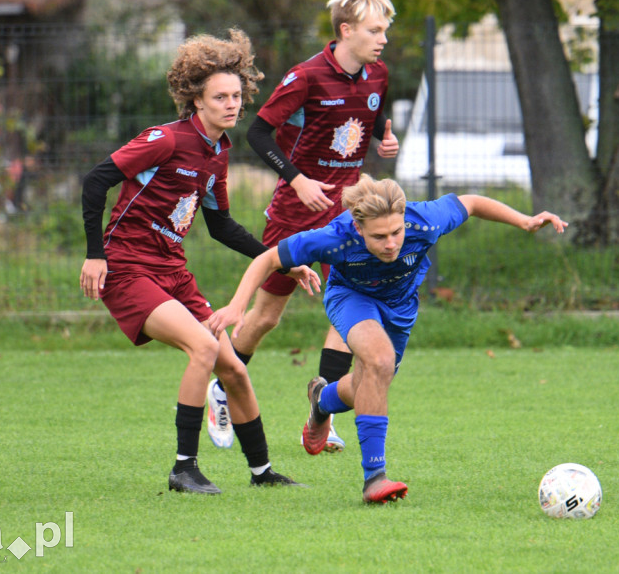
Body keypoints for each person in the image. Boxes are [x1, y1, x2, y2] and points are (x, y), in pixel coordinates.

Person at [208, 174, 568, 503]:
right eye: (379, 236)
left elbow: (470, 203)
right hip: (351, 299)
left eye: (396, 232)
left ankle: (323, 399)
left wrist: (524, 220)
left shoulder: (425, 220)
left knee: (372, 380)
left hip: (400, 306)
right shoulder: (334, 238)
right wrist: (239, 305)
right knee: (378, 361)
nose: (392, 243)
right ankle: (374, 478)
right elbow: (269, 259)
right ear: (358, 226)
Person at [79, 29, 319, 494]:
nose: (232, 105)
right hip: (128, 267)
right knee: (205, 349)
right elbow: (95, 181)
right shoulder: (165, 140)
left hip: (173, 270)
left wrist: (282, 261)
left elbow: (222, 226)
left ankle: (261, 473)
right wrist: (95, 254)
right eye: (220, 97)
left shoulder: (219, 152)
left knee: (235, 370)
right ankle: (183, 468)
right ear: (196, 101)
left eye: (237, 96)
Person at [206, 0, 399, 454]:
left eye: (385, 31)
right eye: (375, 30)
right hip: (297, 208)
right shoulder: (306, 77)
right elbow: (257, 134)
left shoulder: (378, 75)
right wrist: (298, 179)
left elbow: (368, 123)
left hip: (349, 211)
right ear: (346, 29)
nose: (383, 39)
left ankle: (323, 412)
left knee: (346, 310)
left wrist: (384, 142)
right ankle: (222, 384)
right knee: (268, 314)